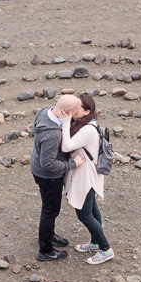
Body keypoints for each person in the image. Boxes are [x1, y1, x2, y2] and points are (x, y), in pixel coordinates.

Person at [30, 94, 85, 261]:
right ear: (67, 112)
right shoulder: (53, 134)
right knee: (50, 210)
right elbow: (48, 164)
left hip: (38, 167)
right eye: (78, 110)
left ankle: (49, 235)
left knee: (50, 209)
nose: (80, 111)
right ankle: (45, 250)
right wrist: (72, 165)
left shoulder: (46, 110)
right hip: (48, 176)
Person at [61, 95, 114, 265]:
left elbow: (66, 146)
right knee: (92, 210)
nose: (73, 111)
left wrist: (65, 122)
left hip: (86, 177)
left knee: (84, 214)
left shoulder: (87, 130)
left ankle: (106, 249)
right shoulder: (89, 126)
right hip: (89, 174)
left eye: (78, 108)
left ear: (87, 111)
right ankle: (96, 242)